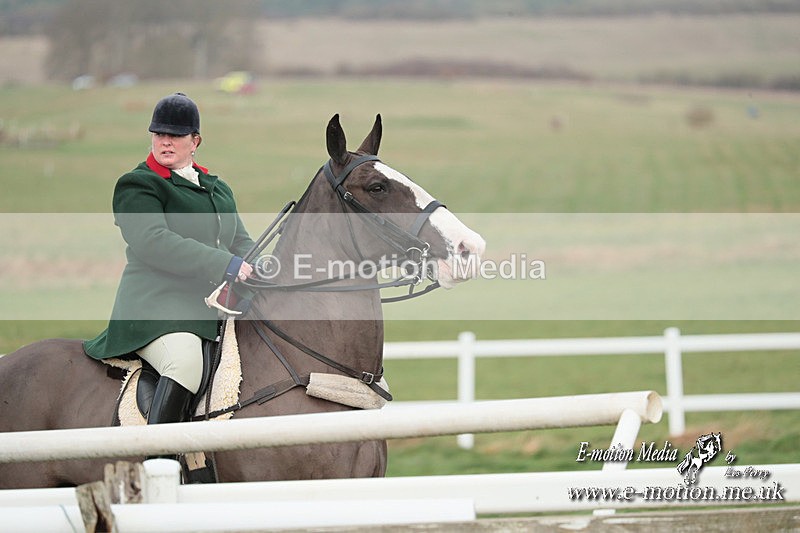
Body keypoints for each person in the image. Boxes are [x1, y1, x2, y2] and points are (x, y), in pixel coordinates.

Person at [84, 92, 255, 426]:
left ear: (195, 141)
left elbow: (240, 241)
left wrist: (264, 266)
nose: (165, 142)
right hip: (156, 309)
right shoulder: (138, 185)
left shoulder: (217, 189)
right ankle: (159, 462)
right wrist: (224, 263)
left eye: (174, 135)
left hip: (213, 307)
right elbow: (153, 242)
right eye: (159, 134)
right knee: (185, 364)